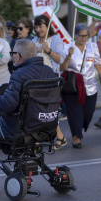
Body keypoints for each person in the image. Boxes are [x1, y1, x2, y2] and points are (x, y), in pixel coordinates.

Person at [0, 39, 56, 162]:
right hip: (45, 125)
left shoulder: (19, 74)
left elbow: (8, 104)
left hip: (19, 128)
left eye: (12, 54)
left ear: (18, 56)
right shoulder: (49, 71)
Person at [60, 23, 101, 149]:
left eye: (86, 36)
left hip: (90, 86)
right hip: (73, 86)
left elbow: (98, 64)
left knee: (88, 114)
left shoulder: (92, 47)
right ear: (75, 35)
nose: (83, 39)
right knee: (75, 114)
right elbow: (62, 68)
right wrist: (68, 57)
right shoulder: (67, 47)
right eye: (81, 36)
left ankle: (79, 128)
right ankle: (76, 138)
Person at [32, 14, 67, 149]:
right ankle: (41, 137)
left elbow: (61, 60)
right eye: (36, 26)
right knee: (38, 110)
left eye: (41, 26)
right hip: (36, 81)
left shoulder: (55, 39)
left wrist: (48, 50)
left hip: (51, 79)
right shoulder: (34, 40)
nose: (39, 29)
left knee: (50, 109)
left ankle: (59, 136)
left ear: (47, 26)